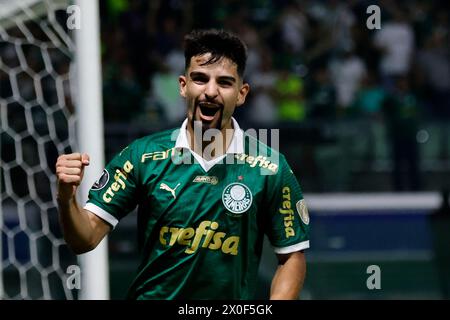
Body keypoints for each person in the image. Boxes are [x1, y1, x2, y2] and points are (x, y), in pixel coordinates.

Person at [55, 29, 310, 300]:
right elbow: (85, 239)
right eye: (200, 79)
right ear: (183, 85)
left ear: (241, 93)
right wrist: (66, 197)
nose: (210, 91)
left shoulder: (268, 166)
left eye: (224, 83)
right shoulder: (142, 155)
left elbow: (292, 255)